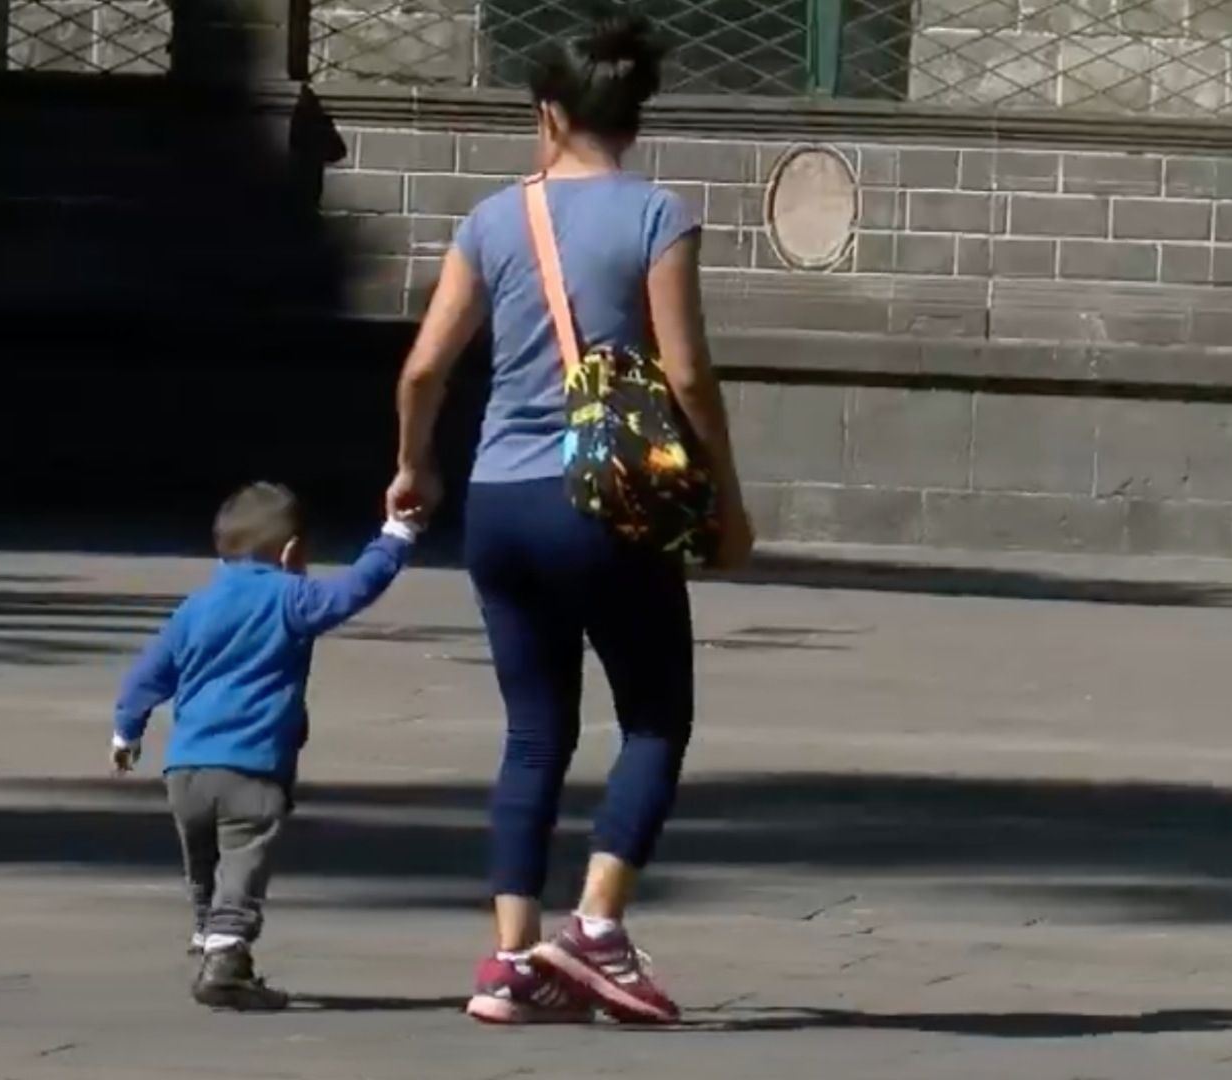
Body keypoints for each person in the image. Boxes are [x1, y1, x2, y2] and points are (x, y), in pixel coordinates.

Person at [384, 14, 754, 1026]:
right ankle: (596, 924)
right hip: (610, 501)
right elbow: (684, 371)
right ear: (632, 117)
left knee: (533, 732)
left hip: (500, 502)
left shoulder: (492, 220)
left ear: (548, 114)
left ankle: (511, 960)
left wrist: (416, 468)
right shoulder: (657, 215)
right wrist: (723, 495)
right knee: (654, 716)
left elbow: (423, 368)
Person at [112, 482, 420, 1011]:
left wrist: (127, 729)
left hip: (184, 770)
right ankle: (228, 954)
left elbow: (150, 672)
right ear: (291, 553)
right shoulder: (288, 596)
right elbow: (353, 589)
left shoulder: (195, 607)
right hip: (252, 768)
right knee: (245, 861)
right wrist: (397, 535)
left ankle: (212, 937)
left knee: (205, 862)